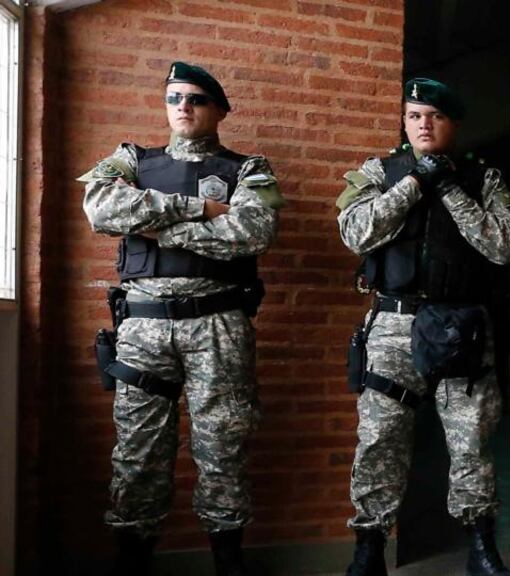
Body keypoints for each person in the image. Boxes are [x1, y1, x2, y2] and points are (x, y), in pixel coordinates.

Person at [81, 62, 283, 576]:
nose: (183, 107)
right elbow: (102, 210)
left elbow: (250, 234)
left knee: (223, 446)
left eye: (194, 98)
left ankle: (227, 560)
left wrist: (153, 225)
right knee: (138, 451)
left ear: (218, 108)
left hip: (218, 326)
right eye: (173, 98)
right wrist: (202, 210)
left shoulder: (250, 170)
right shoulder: (130, 160)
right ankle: (133, 558)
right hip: (143, 328)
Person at [337, 77, 510, 576]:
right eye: (415, 114)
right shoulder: (380, 172)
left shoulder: (483, 179)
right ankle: (369, 547)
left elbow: (503, 245)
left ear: (452, 124)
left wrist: (450, 189)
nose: (423, 123)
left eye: (435, 116)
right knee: (380, 440)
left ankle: (481, 546)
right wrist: (415, 182)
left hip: (462, 327)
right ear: (404, 120)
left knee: (471, 441)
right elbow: (356, 232)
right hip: (394, 325)